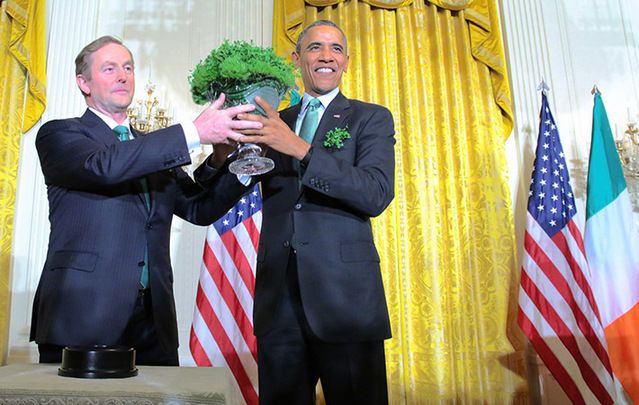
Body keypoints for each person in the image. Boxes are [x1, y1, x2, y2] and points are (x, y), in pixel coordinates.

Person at [29, 35, 262, 366]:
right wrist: (194, 132)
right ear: (84, 83)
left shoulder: (153, 147)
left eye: (128, 67)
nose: (123, 75)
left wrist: (238, 159)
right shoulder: (60, 135)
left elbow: (199, 207)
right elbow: (105, 167)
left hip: (154, 321)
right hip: (83, 315)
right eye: (109, 68)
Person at [240, 20, 395, 404]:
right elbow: (220, 195)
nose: (326, 56)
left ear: (346, 62)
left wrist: (298, 148)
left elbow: (375, 193)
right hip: (279, 304)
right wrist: (223, 150)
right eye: (315, 48)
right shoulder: (272, 121)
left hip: (347, 302)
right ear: (296, 59)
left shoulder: (370, 118)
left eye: (336, 49)